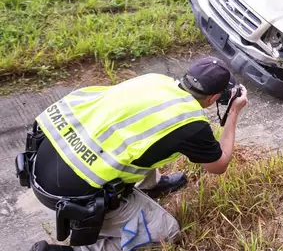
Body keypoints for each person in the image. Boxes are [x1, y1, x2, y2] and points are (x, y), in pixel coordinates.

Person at [21, 56, 248, 251]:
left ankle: (151, 185)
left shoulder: (155, 80)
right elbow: (217, 166)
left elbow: (138, 130)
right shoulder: (191, 123)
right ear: (213, 99)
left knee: (145, 139)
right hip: (73, 196)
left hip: (41, 157)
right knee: (166, 231)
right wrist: (234, 113)